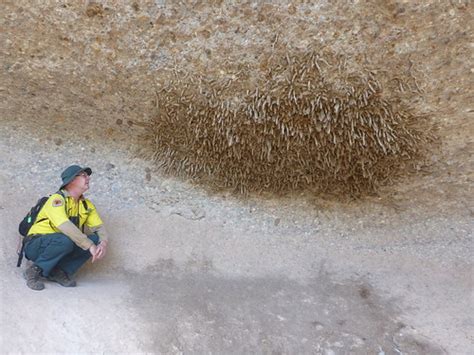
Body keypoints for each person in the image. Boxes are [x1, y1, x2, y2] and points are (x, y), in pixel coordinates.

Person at [23, 165, 109, 290]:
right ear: (72, 180)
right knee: (67, 240)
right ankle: (34, 270)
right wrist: (89, 245)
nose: (88, 178)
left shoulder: (86, 204)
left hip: (62, 244)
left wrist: (103, 243)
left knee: (95, 239)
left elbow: (99, 227)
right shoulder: (57, 199)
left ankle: (58, 272)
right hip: (36, 245)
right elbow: (65, 225)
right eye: (84, 175)